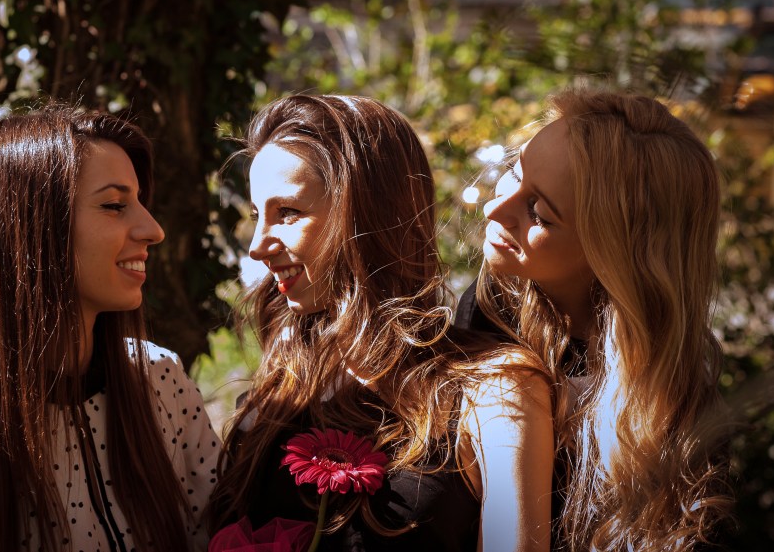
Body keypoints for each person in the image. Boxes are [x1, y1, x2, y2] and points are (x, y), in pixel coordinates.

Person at [208, 94, 554, 552]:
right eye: (257, 216)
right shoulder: (280, 386)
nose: (257, 245)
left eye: (287, 212)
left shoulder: (495, 392)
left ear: (370, 214)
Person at [0, 107, 220, 552]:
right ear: (29, 227)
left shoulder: (161, 379)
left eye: (140, 202)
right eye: (114, 205)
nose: (153, 230)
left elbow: (224, 537)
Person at [458, 87, 731, 551]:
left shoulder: (682, 422)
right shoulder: (492, 308)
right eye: (514, 173)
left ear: (617, 254)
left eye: (539, 213)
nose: (493, 209)